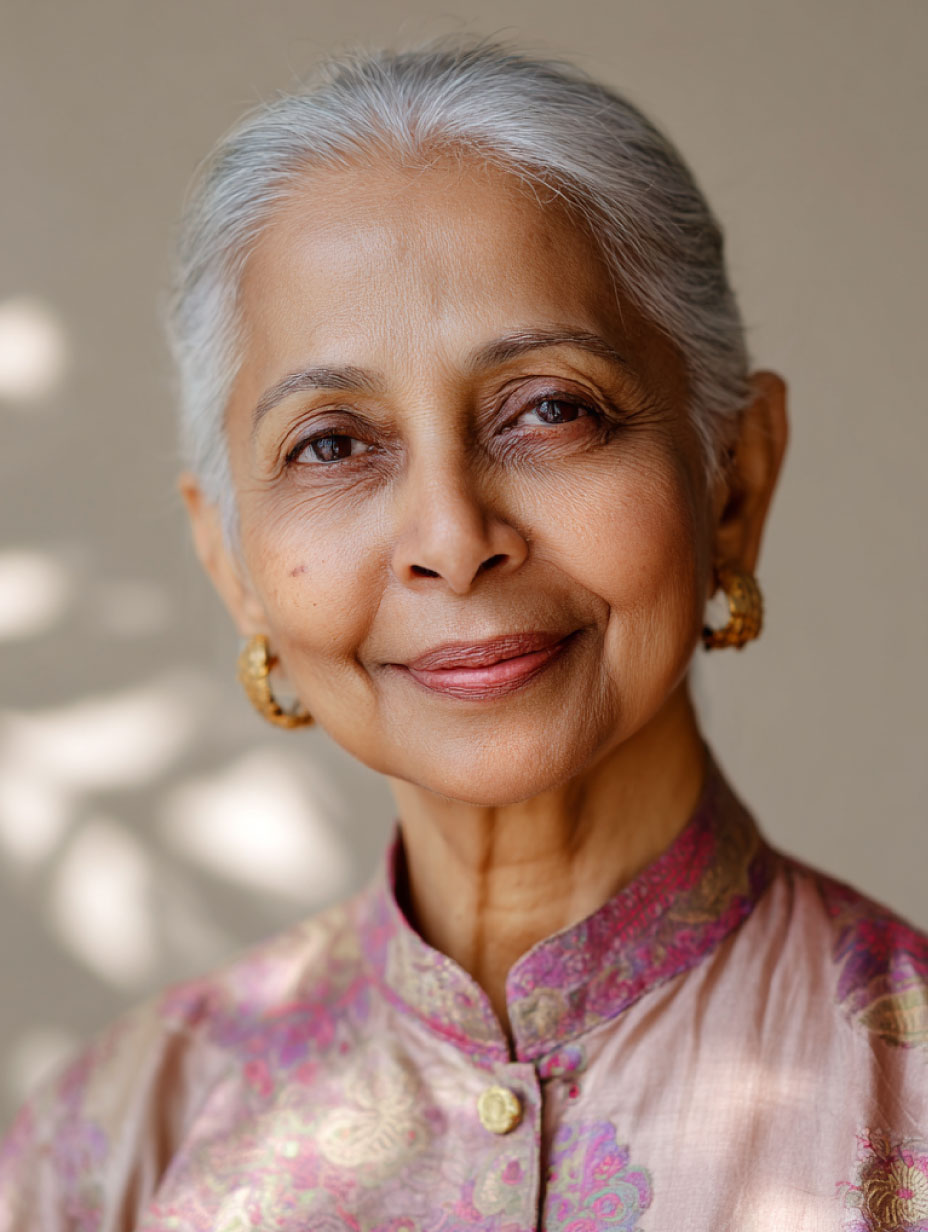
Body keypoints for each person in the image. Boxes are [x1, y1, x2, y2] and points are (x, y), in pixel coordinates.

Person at [1, 36, 926, 1232]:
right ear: (233, 565)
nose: (451, 536)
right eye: (332, 443)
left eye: (550, 409)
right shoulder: (101, 1156)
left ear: (734, 479)